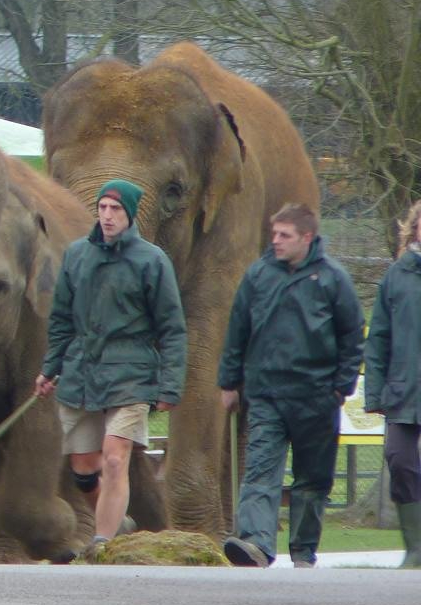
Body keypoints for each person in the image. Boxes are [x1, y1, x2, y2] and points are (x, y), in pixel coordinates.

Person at [36, 178, 187, 551]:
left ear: (130, 214)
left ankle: (101, 541)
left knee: (115, 457)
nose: (107, 216)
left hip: (131, 372)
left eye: (115, 209)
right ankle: (116, 524)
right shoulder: (76, 255)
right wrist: (50, 367)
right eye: (103, 208)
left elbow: (171, 327)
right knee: (83, 468)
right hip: (82, 371)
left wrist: (170, 384)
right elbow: (61, 320)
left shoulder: (152, 260)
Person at [218, 203, 364, 568]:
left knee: (312, 480)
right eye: (274, 234)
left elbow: (351, 338)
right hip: (266, 393)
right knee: (260, 471)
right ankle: (256, 543)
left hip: (317, 396)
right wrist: (229, 382)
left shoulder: (333, 278)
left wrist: (340, 388)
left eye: (285, 235)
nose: (276, 242)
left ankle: (302, 549)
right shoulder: (258, 275)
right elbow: (237, 331)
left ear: (307, 238)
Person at [364, 199, 421, 568]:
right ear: (414, 228)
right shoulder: (396, 277)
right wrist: (375, 393)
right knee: (399, 461)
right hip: (405, 391)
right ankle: (416, 548)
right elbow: (379, 339)